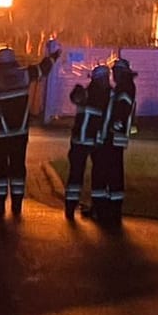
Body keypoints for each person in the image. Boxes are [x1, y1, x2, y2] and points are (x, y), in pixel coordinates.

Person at [0, 40, 62, 218]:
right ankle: (17, 204)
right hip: (19, 133)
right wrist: (54, 57)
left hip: (0, 134)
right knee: (18, 167)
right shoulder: (24, 75)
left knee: (0, 169)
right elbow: (43, 69)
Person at [91, 58, 138, 226]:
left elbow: (121, 111)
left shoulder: (125, 88)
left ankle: (107, 211)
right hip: (114, 137)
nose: (114, 75)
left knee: (108, 172)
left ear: (121, 73)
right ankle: (109, 210)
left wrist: (113, 127)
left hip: (112, 138)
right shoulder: (124, 87)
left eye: (116, 72)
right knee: (113, 173)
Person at [65, 64, 111, 220]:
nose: (108, 81)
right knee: (98, 175)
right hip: (94, 142)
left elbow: (75, 98)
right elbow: (105, 120)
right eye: (106, 78)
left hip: (79, 141)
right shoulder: (106, 96)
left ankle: (70, 207)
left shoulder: (85, 93)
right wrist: (101, 138)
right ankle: (97, 209)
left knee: (76, 174)